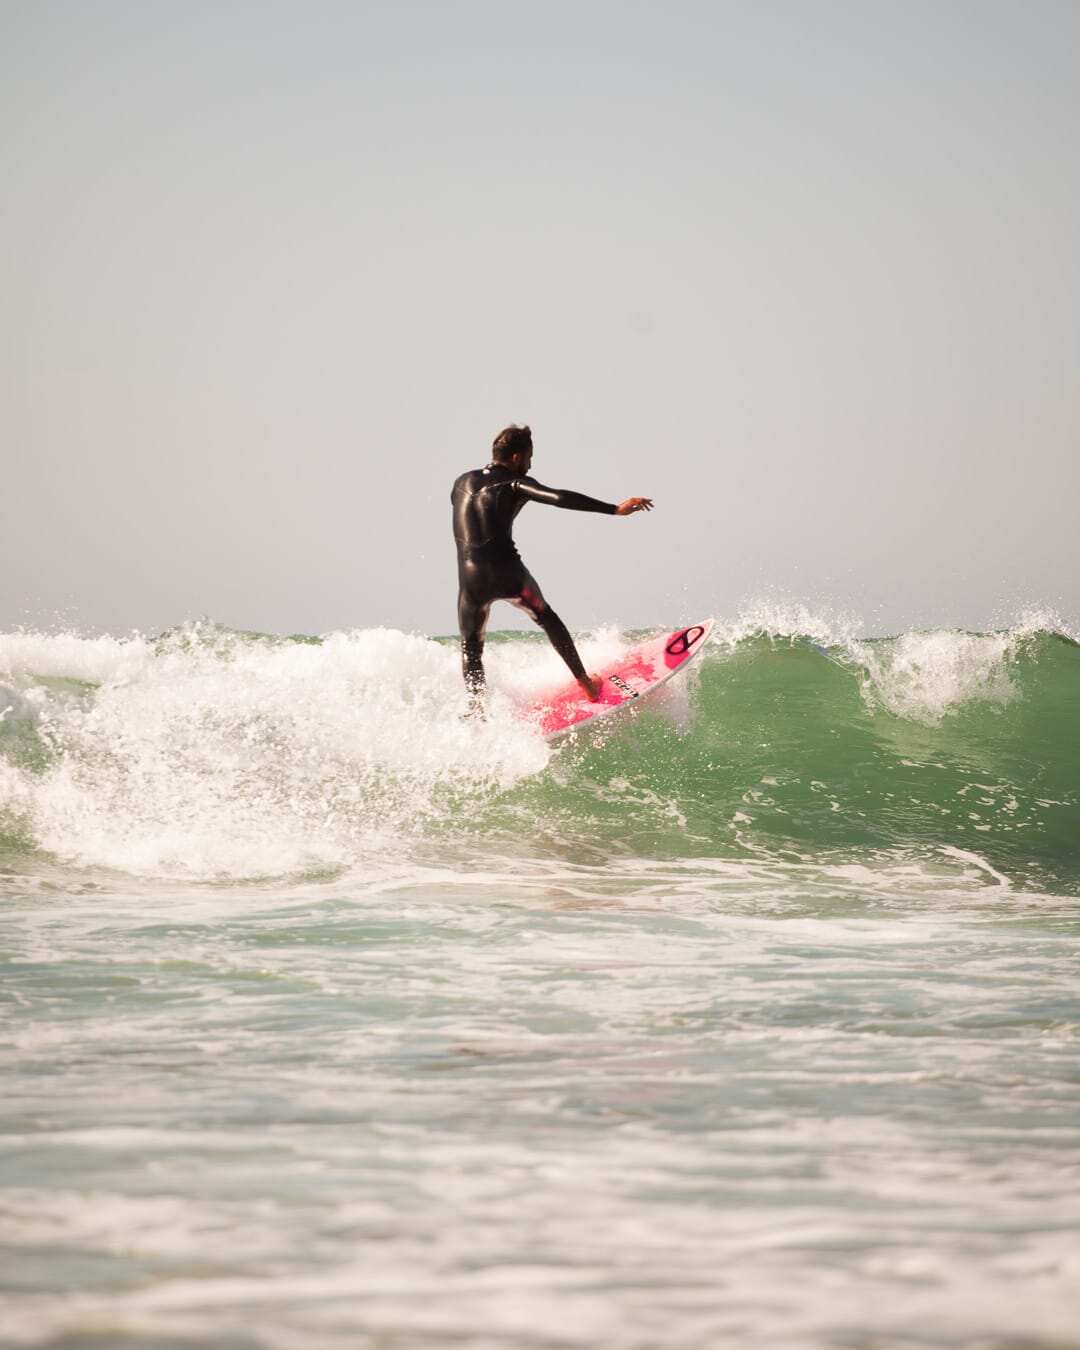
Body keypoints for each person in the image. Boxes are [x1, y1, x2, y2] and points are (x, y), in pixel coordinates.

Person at [451, 424, 653, 711]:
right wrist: (613, 509)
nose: (531, 464)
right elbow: (558, 497)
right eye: (530, 458)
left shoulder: (461, 482)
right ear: (517, 457)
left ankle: (477, 712)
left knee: (471, 650)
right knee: (547, 617)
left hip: (470, 579)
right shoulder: (515, 482)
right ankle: (586, 683)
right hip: (507, 572)